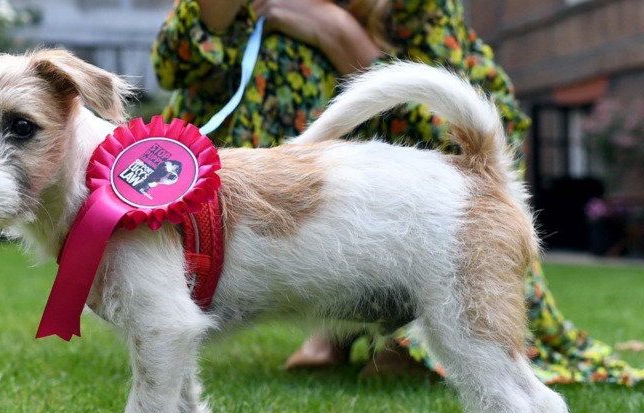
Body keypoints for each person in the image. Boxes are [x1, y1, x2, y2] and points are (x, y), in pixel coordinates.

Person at [152, 0, 644, 386]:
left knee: (474, 334)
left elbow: (477, 118)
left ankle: (401, 325)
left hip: (435, 207)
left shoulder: (418, 9)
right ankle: (330, 318)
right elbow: (177, 62)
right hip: (280, 217)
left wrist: (333, 29)